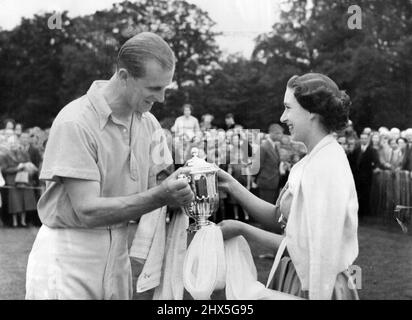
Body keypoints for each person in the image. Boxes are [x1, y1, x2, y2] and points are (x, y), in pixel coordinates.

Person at [25, 32, 194, 300]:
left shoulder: (149, 124)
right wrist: (163, 195)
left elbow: (160, 190)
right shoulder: (76, 122)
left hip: (119, 250)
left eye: (165, 88)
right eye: (154, 88)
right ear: (124, 77)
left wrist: (189, 185)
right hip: (69, 254)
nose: (161, 98)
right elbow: (88, 211)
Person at [218, 73, 359, 300]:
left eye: (288, 108)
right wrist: (231, 184)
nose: (283, 118)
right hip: (297, 274)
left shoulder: (326, 166)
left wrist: (242, 228)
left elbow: (314, 251)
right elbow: (280, 217)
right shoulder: (310, 160)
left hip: (317, 284)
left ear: (311, 111)